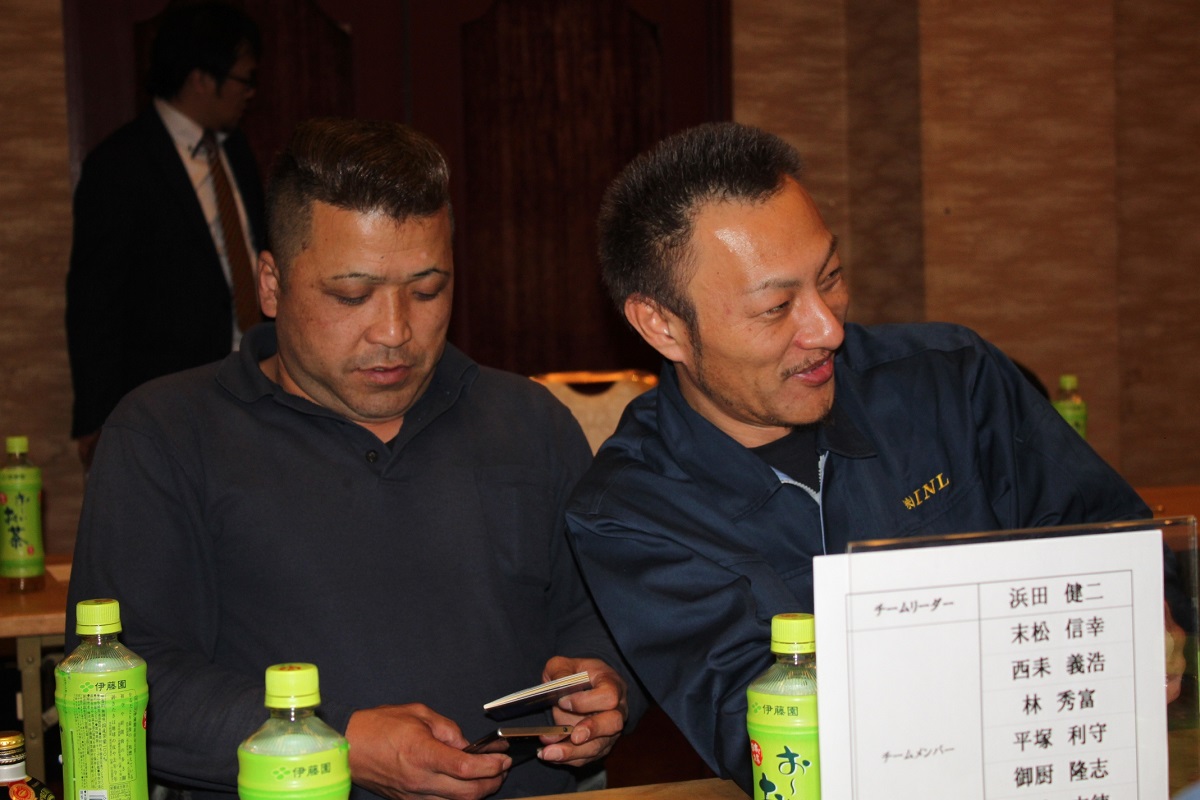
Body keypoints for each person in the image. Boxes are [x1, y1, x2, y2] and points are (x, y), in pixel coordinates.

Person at [564, 121, 1185, 790]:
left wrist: (1149, 616)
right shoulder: (632, 510)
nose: (828, 328)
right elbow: (772, 738)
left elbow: (1114, 543)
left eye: (830, 277)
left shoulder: (953, 382)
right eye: (777, 307)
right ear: (662, 325)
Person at [66, 118, 638, 800]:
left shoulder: (529, 422)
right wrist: (334, 743)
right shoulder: (166, 435)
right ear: (271, 283)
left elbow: (606, 620)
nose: (394, 331)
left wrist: (605, 687)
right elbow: (122, 685)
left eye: (427, 291)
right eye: (351, 295)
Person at [66, 1, 267, 468]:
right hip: (166, 397)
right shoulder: (120, 164)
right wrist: (96, 417)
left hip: (253, 382)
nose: (250, 92)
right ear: (202, 78)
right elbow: (95, 301)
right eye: (244, 79)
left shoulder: (236, 151)